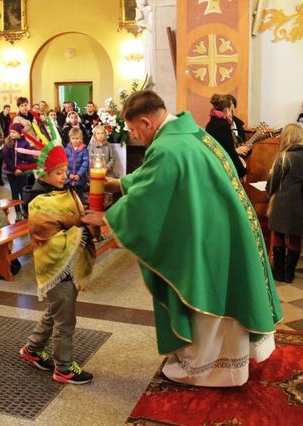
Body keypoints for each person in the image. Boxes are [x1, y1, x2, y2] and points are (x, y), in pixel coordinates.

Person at [82, 90, 282, 387]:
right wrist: (121, 183)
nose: (136, 137)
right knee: (225, 293)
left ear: (147, 122)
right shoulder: (190, 134)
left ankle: (205, 369)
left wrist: (106, 218)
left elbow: (153, 193)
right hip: (223, 227)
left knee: (205, 292)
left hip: (208, 238)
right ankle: (226, 363)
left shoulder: (167, 147)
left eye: (135, 130)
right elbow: (159, 178)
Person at [19, 140, 96, 385]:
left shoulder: (62, 191)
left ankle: (32, 350)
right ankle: (63, 368)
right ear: (45, 173)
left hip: (69, 264)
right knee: (66, 320)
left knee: (56, 310)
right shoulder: (39, 201)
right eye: (59, 172)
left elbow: (74, 215)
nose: (65, 176)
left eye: (65, 171)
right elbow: (47, 238)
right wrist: (83, 231)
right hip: (55, 266)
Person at [267, 123, 303, 283]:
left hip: (283, 202)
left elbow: (273, 184)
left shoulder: (283, 157)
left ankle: (278, 272)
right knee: (295, 237)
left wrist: (268, 193)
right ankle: (290, 273)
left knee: (278, 234)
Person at [205, 94, 246, 178]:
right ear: (226, 109)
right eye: (231, 110)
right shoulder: (222, 126)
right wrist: (242, 171)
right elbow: (229, 153)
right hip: (223, 173)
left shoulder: (211, 124)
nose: (231, 114)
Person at [2, 122, 35, 221]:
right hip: (11, 172)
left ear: (20, 133)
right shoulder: (7, 142)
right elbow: (6, 158)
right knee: (15, 192)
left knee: (23, 192)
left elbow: (29, 157)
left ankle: (24, 210)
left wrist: (23, 168)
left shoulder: (25, 143)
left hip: (23, 172)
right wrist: (14, 169)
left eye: (14, 132)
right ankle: (18, 212)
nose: (11, 134)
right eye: (10, 132)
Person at [65, 127, 89, 202]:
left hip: (80, 178)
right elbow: (64, 163)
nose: (75, 140)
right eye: (73, 138)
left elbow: (85, 163)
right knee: (69, 196)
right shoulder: (67, 149)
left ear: (81, 139)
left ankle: (80, 209)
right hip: (69, 178)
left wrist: (79, 174)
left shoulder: (84, 150)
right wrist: (69, 174)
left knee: (79, 196)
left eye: (77, 138)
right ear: (70, 139)